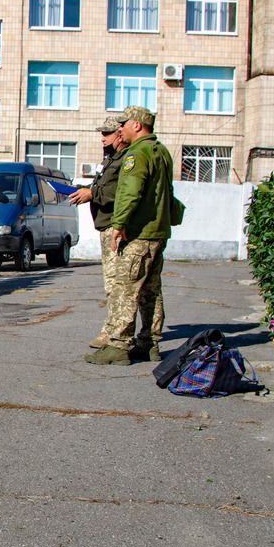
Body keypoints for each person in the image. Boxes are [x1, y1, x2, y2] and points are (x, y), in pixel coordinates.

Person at [86, 106, 173, 366]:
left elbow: (130, 193)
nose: (120, 128)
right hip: (158, 231)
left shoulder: (138, 153)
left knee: (125, 288)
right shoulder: (162, 151)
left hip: (139, 234)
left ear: (137, 125)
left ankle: (118, 346)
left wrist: (119, 224)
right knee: (151, 290)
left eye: (123, 124)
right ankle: (149, 343)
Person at [68, 115, 128, 349]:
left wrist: (92, 194)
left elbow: (121, 192)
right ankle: (115, 328)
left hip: (115, 224)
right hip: (105, 223)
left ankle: (114, 331)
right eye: (101, 133)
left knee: (115, 283)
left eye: (107, 133)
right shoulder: (111, 158)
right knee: (112, 282)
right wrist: (87, 190)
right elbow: (104, 187)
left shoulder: (126, 159)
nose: (102, 138)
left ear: (119, 134)